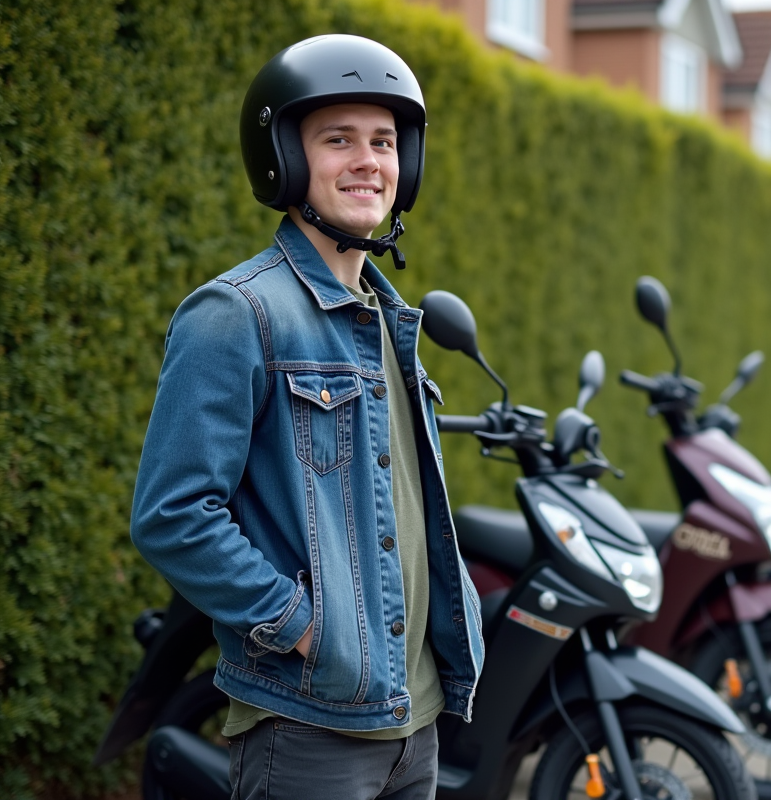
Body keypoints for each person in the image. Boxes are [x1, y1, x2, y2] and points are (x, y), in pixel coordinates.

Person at [130, 34, 484, 800]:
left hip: (413, 722)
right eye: (338, 140)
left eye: (384, 142)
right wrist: (302, 627)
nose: (368, 161)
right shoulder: (237, 314)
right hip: (308, 729)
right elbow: (172, 514)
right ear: (286, 160)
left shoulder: (388, 320)